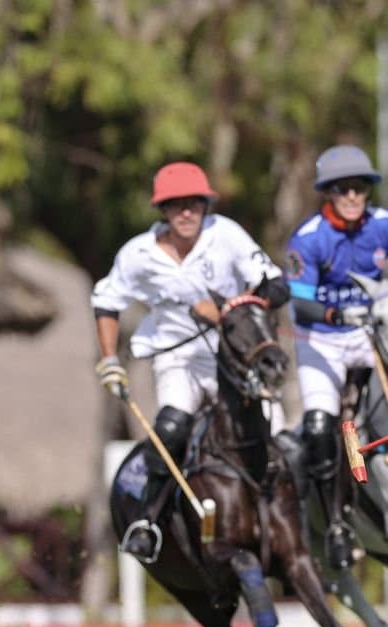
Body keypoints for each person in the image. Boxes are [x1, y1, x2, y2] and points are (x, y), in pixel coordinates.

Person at [93, 161, 290, 559]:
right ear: (163, 210)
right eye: (176, 205)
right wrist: (110, 359)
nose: (187, 212)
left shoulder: (227, 235)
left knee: (276, 431)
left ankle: (290, 516)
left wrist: (229, 311)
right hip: (177, 361)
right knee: (171, 427)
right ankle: (147, 520)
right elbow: (105, 301)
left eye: (195, 204)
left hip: (232, 360)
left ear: (206, 207)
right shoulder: (138, 254)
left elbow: (275, 285)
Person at [285, 144, 388, 569]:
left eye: (360, 189)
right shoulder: (308, 239)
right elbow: (300, 305)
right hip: (322, 340)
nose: (352, 197)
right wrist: (338, 312)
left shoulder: (385, 226)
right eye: (342, 189)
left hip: (371, 335)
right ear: (328, 193)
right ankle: (334, 526)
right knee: (318, 426)